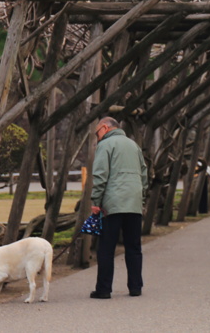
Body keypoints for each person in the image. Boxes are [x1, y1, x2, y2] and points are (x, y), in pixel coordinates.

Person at [90, 116, 148, 299]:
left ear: (105, 128)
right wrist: (141, 197)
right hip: (134, 203)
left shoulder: (105, 145)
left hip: (112, 204)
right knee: (134, 247)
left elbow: (100, 175)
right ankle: (135, 287)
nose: (96, 137)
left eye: (97, 132)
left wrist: (95, 201)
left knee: (106, 248)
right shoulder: (134, 146)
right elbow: (144, 175)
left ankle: (104, 289)